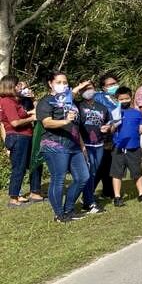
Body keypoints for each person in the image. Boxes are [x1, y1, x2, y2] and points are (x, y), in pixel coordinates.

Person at [37, 71, 88, 222]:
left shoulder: (69, 100)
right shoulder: (45, 101)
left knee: (82, 177)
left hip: (73, 145)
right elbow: (46, 122)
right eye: (59, 82)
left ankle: (69, 209)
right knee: (58, 179)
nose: (63, 85)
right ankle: (59, 214)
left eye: (65, 82)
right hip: (55, 145)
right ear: (50, 83)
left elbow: (76, 125)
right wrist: (65, 121)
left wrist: (82, 145)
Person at [0, 76, 44, 207]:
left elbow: (23, 114)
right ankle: (14, 198)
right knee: (19, 167)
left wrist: (32, 106)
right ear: (10, 86)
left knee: (35, 163)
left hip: (26, 136)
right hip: (17, 137)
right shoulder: (6, 101)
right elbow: (14, 122)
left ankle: (35, 192)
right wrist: (32, 118)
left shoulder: (16, 101)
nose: (20, 87)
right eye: (18, 85)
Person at [110, 87, 142, 207]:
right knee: (117, 173)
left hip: (134, 148)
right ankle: (117, 197)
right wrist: (114, 123)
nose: (124, 101)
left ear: (131, 98)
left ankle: (141, 194)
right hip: (119, 148)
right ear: (117, 100)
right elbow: (111, 130)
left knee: (137, 172)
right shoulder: (114, 112)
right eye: (121, 99)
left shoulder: (137, 113)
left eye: (126, 98)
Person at [76, 81, 112, 214]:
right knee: (89, 172)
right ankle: (88, 202)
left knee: (94, 172)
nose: (87, 91)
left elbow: (109, 123)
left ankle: (88, 197)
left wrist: (108, 128)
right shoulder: (77, 106)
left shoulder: (102, 107)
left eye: (89, 88)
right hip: (85, 144)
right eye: (84, 89)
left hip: (99, 144)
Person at [94, 73, 122, 199]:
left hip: (116, 134)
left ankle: (108, 191)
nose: (113, 86)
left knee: (110, 164)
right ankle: (88, 192)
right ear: (103, 87)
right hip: (104, 134)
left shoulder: (117, 98)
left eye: (114, 83)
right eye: (110, 85)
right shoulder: (99, 96)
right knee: (101, 164)